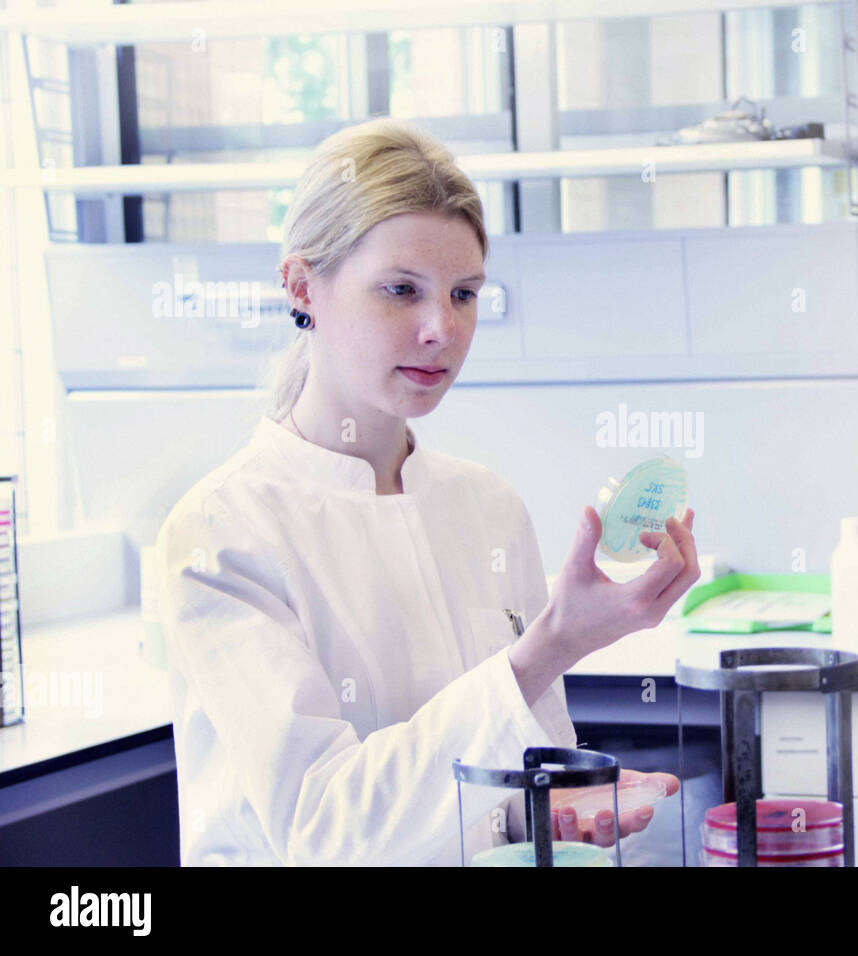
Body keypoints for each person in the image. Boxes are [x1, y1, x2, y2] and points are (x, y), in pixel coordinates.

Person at [156, 118, 700, 865]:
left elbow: (495, 790)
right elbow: (327, 830)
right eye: (401, 290)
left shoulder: (488, 509)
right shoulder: (221, 534)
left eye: (465, 293)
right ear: (301, 285)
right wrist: (550, 646)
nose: (442, 328)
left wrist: (549, 811)